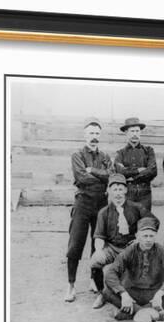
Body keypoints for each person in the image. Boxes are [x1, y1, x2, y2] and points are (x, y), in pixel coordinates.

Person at [64, 118, 114, 302]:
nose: (94, 137)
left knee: (97, 244)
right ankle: (71, 285)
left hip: (101, 203)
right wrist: (100, 177)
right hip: (83, 202)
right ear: (85, 136)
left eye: (96, 134)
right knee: (76, 243)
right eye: (91, 133)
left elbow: (111, 175)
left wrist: (92, 170)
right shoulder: (77, 155)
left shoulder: (105, 157)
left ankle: (95, 280)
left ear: (100, 136)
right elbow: (81, 178)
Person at [90, 173, 153, 309]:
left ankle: (135, 295)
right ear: (109, 191)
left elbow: (153, 222)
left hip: (132, 247)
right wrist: (99, 250)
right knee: (95, 260)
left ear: (125, 190)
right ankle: (102, 293)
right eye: (114, 189)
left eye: (120, 189)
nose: (118, 193)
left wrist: (140, 237)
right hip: (112, 248)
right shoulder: (104, 212)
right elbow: (99, 236)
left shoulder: (136, 208)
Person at [102, 217, 164, 321]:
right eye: (145, 236)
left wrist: (160, 293)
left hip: (154, 293)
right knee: (107, 292)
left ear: (155, 236)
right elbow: (111, 273)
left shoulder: (163, 252)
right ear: (137, 236)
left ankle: (132, 313)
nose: (148, 239)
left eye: (151, 236)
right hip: (132, 292)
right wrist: (124, 294)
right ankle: (150, 313)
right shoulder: (129, 251)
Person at [114, 117, 157, 211]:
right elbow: (120, 172)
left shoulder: (149, 151)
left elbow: (152, 171)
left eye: (137, 131)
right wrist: (138, 170)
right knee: (129, 222)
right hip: (127, 194)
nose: (135, 134)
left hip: (145, 194)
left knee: (145, 222)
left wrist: (131, 177)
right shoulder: (120, 153)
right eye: (132, 131)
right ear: (126, 132)